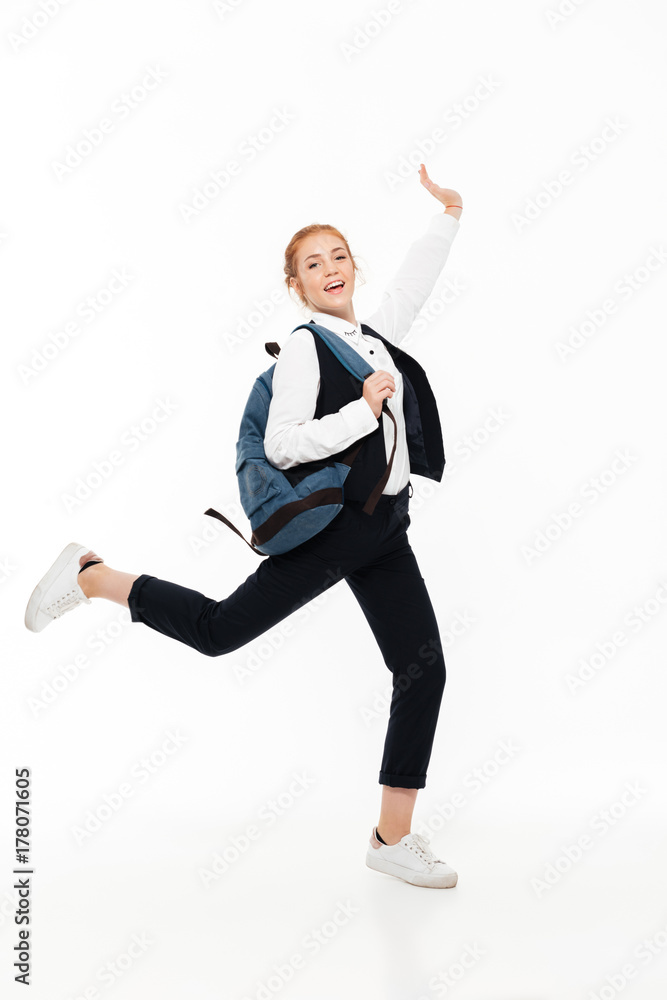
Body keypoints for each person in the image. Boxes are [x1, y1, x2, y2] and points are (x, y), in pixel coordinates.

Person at [24, 163, 463, 889]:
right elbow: (283, 443)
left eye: (339, 255)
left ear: (355, 267)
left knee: (423, 669)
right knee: (220, 632)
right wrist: (362, 407)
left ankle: (391, 839)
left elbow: (414, 284)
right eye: (312, 262)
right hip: (333, 532)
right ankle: (92, 576)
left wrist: (448, 215)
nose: (330, 268)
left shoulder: (371, 336)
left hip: (386, 528)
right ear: (295, 285)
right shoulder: (302, 345)